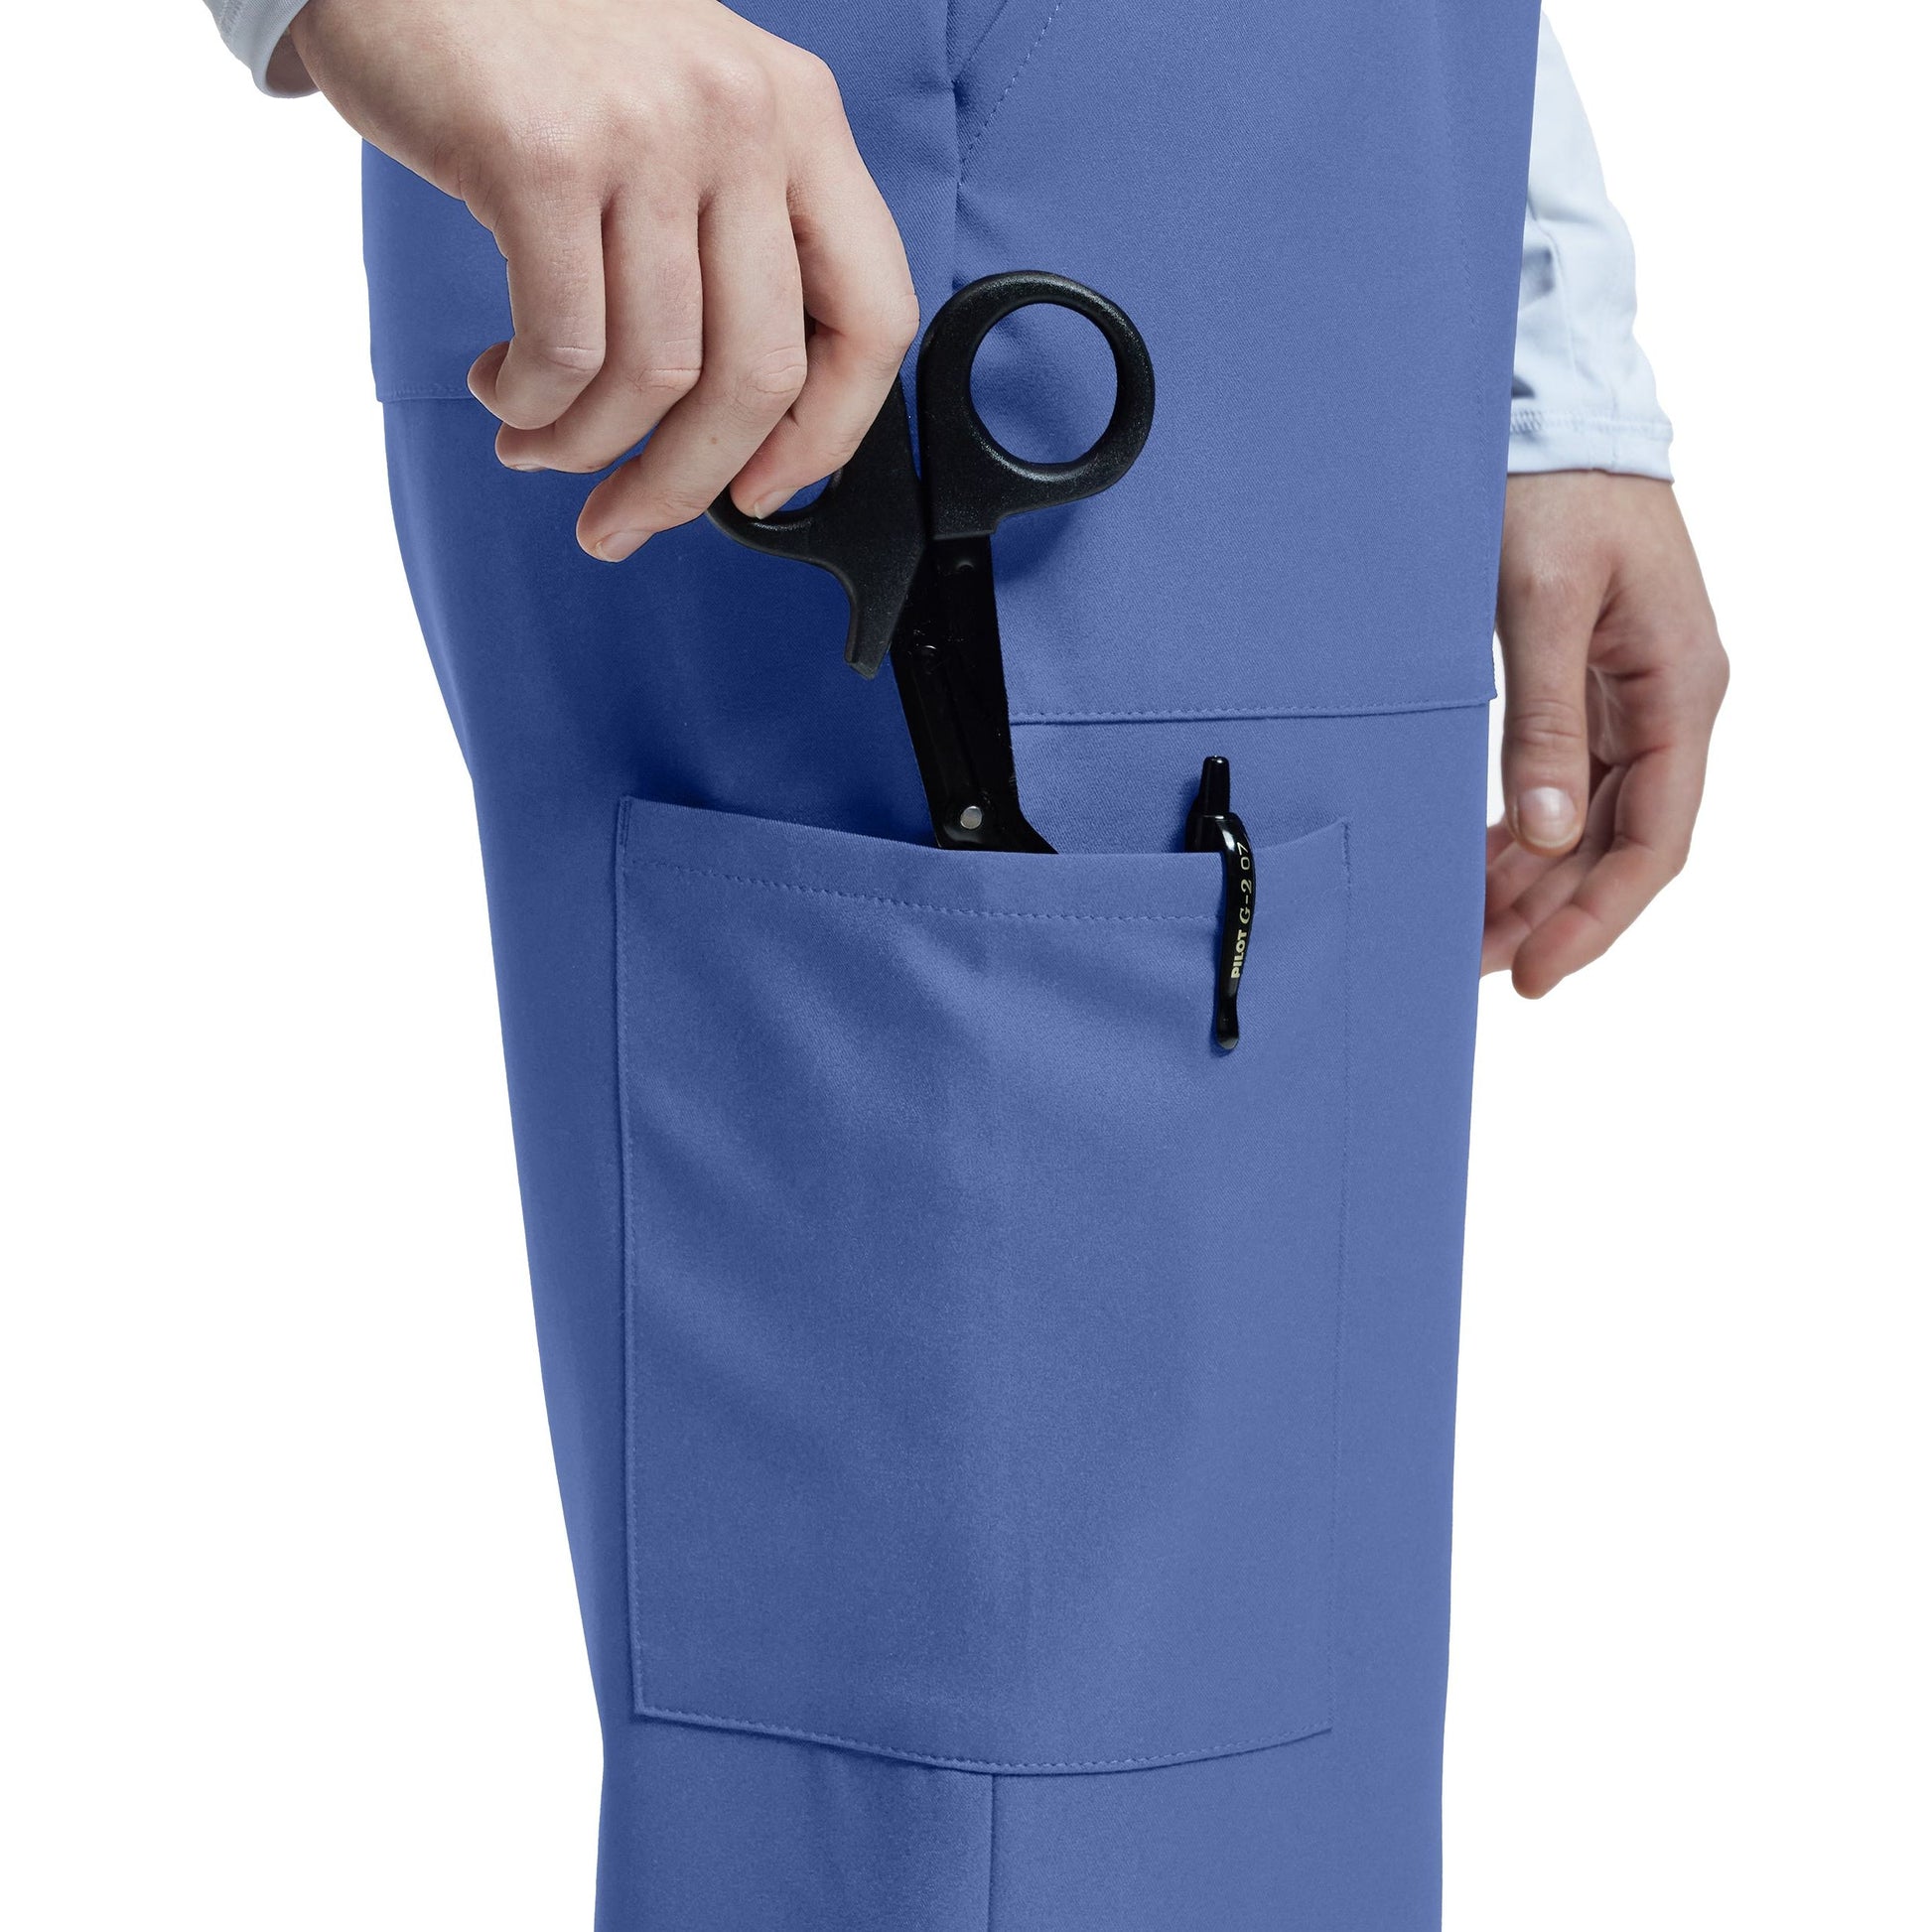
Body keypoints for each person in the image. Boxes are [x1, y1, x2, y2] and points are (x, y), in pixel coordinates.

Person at [201, 1, 1728, 1925]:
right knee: (1010, 1806)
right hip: (856, 240)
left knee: (1248, 1794)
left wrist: (1533, 332)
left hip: (1330, 225)